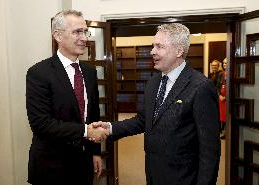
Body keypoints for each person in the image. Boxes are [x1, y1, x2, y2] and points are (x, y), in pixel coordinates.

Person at [92, 23, 220, 185]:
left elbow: (210, 150)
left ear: (179, 51)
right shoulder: (153, 82)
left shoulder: (201, 86)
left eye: (159, 46)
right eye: (153, 46)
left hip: (184, 178)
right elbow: (143, 120)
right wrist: (109, 128)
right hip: (153, 174)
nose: (152, 51)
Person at [26, 10, 108, 185]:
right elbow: (41, 124)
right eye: (77, 31)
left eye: (85, 31)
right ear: (58, 36)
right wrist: (86, 131)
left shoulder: (89, 72)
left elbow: (92, 116)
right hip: (51, 168)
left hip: (83, 165)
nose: (84, 38)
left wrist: (95, 152)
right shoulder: (39, 73)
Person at [219, 58, 228, 139]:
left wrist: (226, 96)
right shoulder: (221, 74)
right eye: (224, 63)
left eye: (226, 63)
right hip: (221, 98)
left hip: (228, 99)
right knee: (222, 117)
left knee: (227, 116)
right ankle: (224, 132)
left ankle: (227, 133)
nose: (225, 65)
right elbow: (217, 86)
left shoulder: (232, 73)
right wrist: (220, 95)